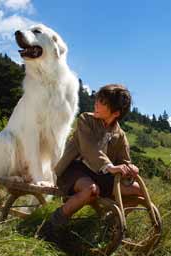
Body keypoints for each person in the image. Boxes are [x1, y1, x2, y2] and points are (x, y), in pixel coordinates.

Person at [41, 84, 142, 242]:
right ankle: (52, 225)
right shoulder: (85, 120)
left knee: (137, 190)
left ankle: (110, 223)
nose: (96, 104)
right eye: (97, 100)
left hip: (100, 174)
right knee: (91, 190)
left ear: (115, 113)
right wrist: (110, 167)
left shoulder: (120, 135)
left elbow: (124, 160)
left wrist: (130, 168)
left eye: (102, 102)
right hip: (74, 169)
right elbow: (90, 149)